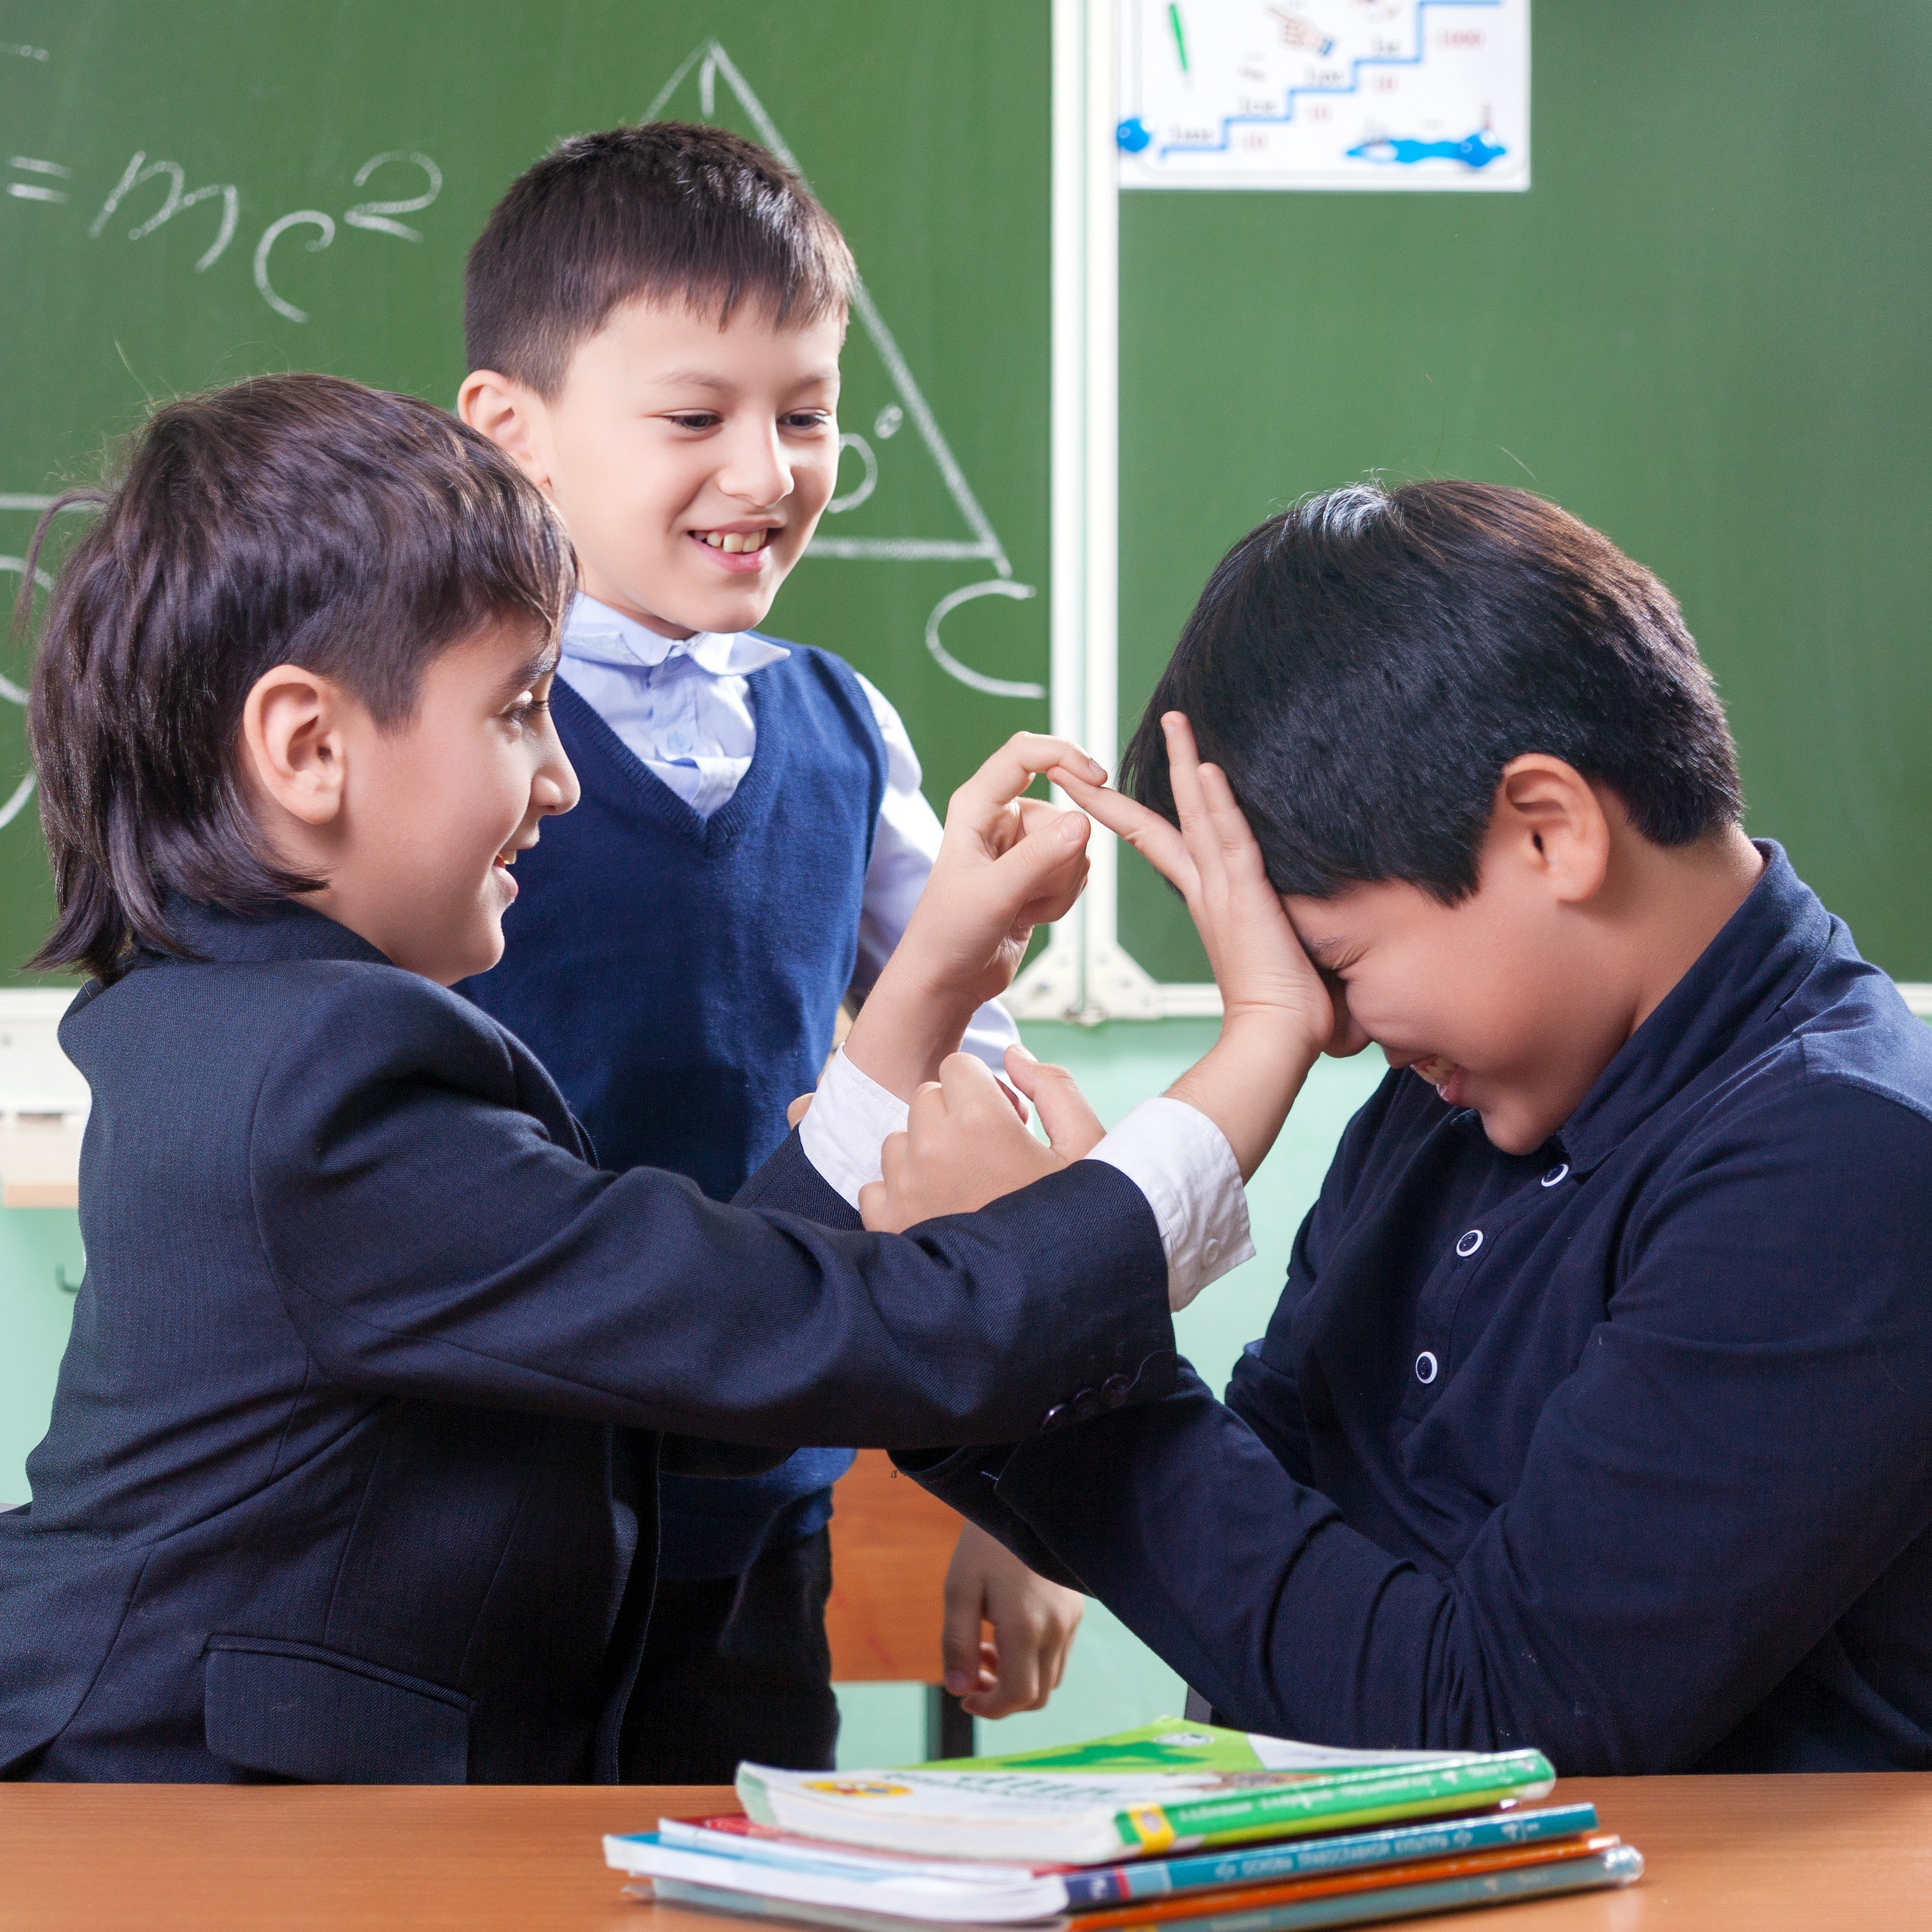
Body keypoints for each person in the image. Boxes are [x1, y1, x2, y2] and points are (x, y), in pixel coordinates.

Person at [0, 371, 1271, 1783]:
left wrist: (918, 997)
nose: (561, 776)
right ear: (310, 749)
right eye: (518, 711)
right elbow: (816, 1336)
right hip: (174, 1835)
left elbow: (687, 1361)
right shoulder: (328, 1086)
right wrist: (1240, 1072)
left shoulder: (228, 1021)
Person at [867, 480, 1932, 1776]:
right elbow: (1246, 1506)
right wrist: (1010, 1302)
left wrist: (1054, 1323)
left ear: (1547, 832)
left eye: (1336, 960)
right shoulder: (1458, 1101)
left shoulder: (1841, 1162)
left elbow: (1495, 1725)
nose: (1337, 1031)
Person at [451, 121, 1078, 1775]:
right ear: (510, 433)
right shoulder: (430, 736)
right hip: (466, 1525)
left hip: (754, 1513)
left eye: (805, 413)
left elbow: (980, 1091)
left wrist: (1021, 1495)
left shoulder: (840, 728)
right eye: (693, 416)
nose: (764, 470)